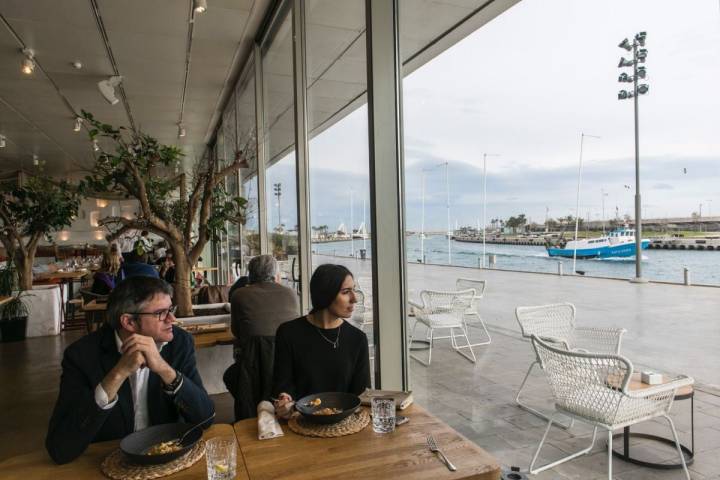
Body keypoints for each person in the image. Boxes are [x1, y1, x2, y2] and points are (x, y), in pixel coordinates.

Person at [45, 276, 214, 464]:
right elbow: (60, 448)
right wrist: (118, 374)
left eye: (171, 309)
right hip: (107, 462)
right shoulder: (82, 356)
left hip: (168, 460)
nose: (172, 319)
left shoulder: (179, 343)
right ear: (129, 322)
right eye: (161, 313)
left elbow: (205, 418)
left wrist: (164, 369)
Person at [272, 264, 370, 418]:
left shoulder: (357, 339)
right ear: (325, 295)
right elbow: (282, 383)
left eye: (354, 290)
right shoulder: (288, 333)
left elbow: (360, 394)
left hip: (344, 423)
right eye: (346, 292)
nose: (354, 299)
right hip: (299, 421)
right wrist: (284, 398)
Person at [224, 255, 299, 420]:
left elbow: (237, 331)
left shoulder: (239, 295)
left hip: (251, 368)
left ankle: (250, 413)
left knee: (231, 375)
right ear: (276, 275)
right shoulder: (292, 294)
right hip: (289, 363)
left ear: (250, 274)